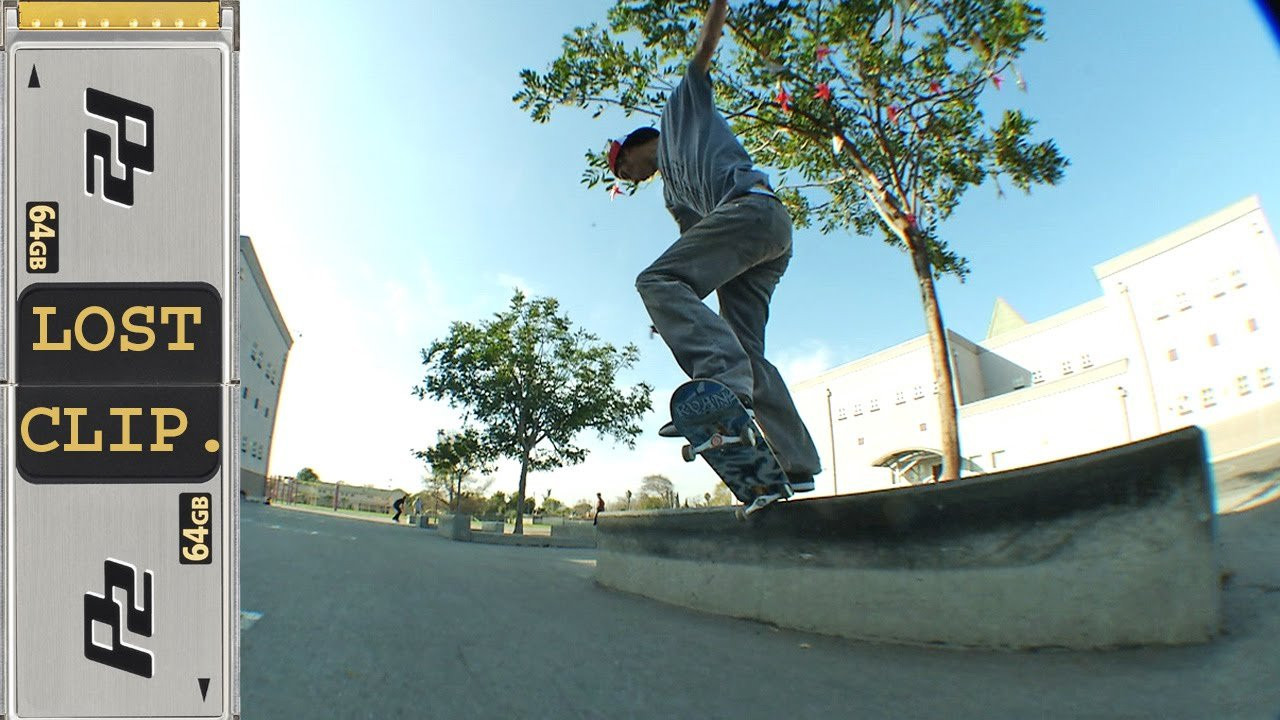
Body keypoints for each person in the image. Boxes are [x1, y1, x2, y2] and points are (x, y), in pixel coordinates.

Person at [607, 0, 821, 493]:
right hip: (756, 240)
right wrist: (672, 311)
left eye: (624, 168)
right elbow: (694, 249)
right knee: (747, 351)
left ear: (637, 145)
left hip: (753, 211)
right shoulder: (671, 194)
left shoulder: (680, 110)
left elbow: (704, 49)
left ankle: (724, 386)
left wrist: (719, 6)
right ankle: (795, 461)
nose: (629, 177)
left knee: (654, 280)